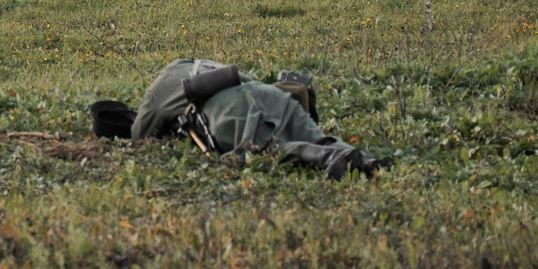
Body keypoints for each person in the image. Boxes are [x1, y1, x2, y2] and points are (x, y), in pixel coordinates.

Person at [102, 57, 382, 178]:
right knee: (317, 136)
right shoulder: (193, 65)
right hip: (270, 94)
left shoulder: (154, 96)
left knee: (267, 152)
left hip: (231, 112)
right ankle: (367, 161)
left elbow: (140, 137)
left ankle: (330, 159)